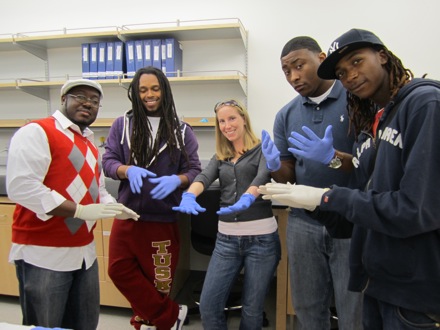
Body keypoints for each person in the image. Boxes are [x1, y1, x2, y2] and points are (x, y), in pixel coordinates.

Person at [259, 29, 440, 329]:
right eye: (343, 72)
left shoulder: (417, 103)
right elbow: (366, 167)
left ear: (382, 55)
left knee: (350, 309)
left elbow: (415, 205)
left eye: (357, 62)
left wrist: (328, 191)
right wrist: (282, 167)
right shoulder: (374, 112)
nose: (351, 76)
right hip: (348, 237)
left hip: (401, 265)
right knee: (308, 303)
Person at [6, 79, 139, 330]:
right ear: (63, 99)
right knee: (45, 325)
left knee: (84, 324)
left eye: (95, 100)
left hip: (84, 255)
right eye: (80, 96)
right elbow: (22, 186)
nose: (88, 103)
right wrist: (78, 210)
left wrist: (115, 207)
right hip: (44, 254)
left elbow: (96, 189)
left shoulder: (90, 144)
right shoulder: (37, 131)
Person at [260, 36, 363, 329]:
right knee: (306, 304)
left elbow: (372, 164)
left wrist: (333, 156)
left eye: (299, 65)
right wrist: (273, 166)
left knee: (353, 306)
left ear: (320, 57)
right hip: (304, 222)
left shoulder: (355, 97)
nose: (293, 76)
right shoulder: (287, 114)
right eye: (286, 71)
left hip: (351, 218)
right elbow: (288, 175)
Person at [102, 66, 201, 330]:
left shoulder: (182, 130)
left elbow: (194, 170)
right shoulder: (122, 124)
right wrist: (126, 170)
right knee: (119, 270)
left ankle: (147, 322)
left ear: (164, 90)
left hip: (163, 218)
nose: (149, 95)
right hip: (128, 214)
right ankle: (170, 316)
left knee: (158, 281)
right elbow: (108, 162)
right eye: (143, 89)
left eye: (155, 88)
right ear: (135, 92)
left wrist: (176, 181)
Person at [173, 99, 281, 329]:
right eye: (221, 121)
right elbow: (203, 178)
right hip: (226, 241)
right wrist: (189, 195)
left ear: (244, 119)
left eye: (232, 118)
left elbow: (263, 177)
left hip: (261, 240)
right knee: (209, 306)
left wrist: (248, 197)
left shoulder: (262, 149)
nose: (227, 125)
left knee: (252, 312)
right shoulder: (221, 156)